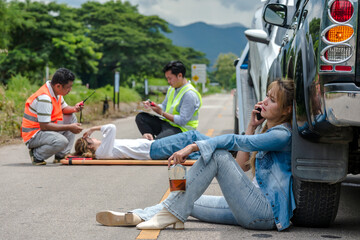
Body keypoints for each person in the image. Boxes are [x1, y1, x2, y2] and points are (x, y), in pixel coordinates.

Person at [96, 79, 296, 231]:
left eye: (272, 99)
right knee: (184, 199)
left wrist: (193, 147)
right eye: (266, 96)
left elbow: (236, 141)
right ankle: (136, 216)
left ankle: (169, 215)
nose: (265, 102)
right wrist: (252, 126)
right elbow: (241, 166)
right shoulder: (267, 132)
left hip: (265, 213)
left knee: (218, 155)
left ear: (287, 110)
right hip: (249, 206)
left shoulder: (282, 134)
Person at [21, 68, 83, 165]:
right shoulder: (44, 98)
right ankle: (37, 155)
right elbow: (44, 126)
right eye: (68, 87)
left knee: (71, 117)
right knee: (61, 141)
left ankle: (61, 155)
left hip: (44, 129)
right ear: (58, 86)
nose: (70, 90)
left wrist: (75, 108)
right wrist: (70, 127)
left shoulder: (55, 92)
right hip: (34, 135)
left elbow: (64, 109)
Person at [136, 60, 202, 140]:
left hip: (182, 130)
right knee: (141, 117)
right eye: (167, 78)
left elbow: (182, 121)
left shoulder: (189, 94)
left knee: (158, 143)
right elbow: (164, 106)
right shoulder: (172, 89)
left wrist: (162, 113)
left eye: (170, 78)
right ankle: (150, 140)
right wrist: (152, 105)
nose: (168, 81)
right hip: (168, 124)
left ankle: (154, 145)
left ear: (180, 75)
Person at [74, 124, 210, 160]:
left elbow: (128, 147)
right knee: (191, 136)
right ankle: (227, 145)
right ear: (90, 145)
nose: (96, 137)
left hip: (151, 148)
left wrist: (142, 139)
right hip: (153, 149)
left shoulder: (103, 150)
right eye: (92, 137)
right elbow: (111, 128)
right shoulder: (102, 151)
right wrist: (92, 128)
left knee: (190, 151)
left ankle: (219, 153)